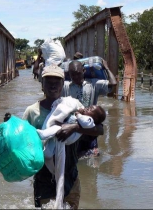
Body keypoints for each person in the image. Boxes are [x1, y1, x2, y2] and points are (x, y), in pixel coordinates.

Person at [22, 64, 103, 209]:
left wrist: (74, 128)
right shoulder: (32, 112)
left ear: (62, 84)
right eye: (49, 82)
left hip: (70, 177)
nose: (53, 86)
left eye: (57, 82)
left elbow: (99, 129)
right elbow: (23, 142)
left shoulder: (73, 105)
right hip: (44, 179)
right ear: (42, 84)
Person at [62, 59, 117, 158]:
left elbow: (113, 84)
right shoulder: (65, 86)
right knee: (75, 156)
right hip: (72, 127)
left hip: (90, 127)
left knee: (93, 157)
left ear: (84, 70)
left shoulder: (93, 84)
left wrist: (106, 68)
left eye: (78, 74)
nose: (75, 77)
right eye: (72, 75)